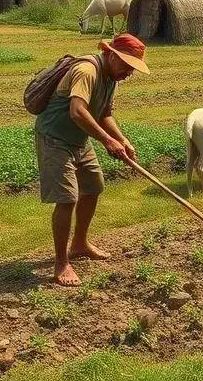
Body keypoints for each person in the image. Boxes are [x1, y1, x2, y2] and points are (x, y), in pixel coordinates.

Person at [36, 33, 151, 286]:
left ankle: (79, 244)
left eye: (133, 68)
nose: (128, 72)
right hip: (55, 139)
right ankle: (61, 262)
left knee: (93, 186)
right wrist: (106, 141)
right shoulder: (87, 71)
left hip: (79, 139)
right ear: (110, 54)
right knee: (67, 198)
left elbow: (105, 113)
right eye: (126, 65)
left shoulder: (112, 78)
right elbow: (77, 111)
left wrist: (122, 140)